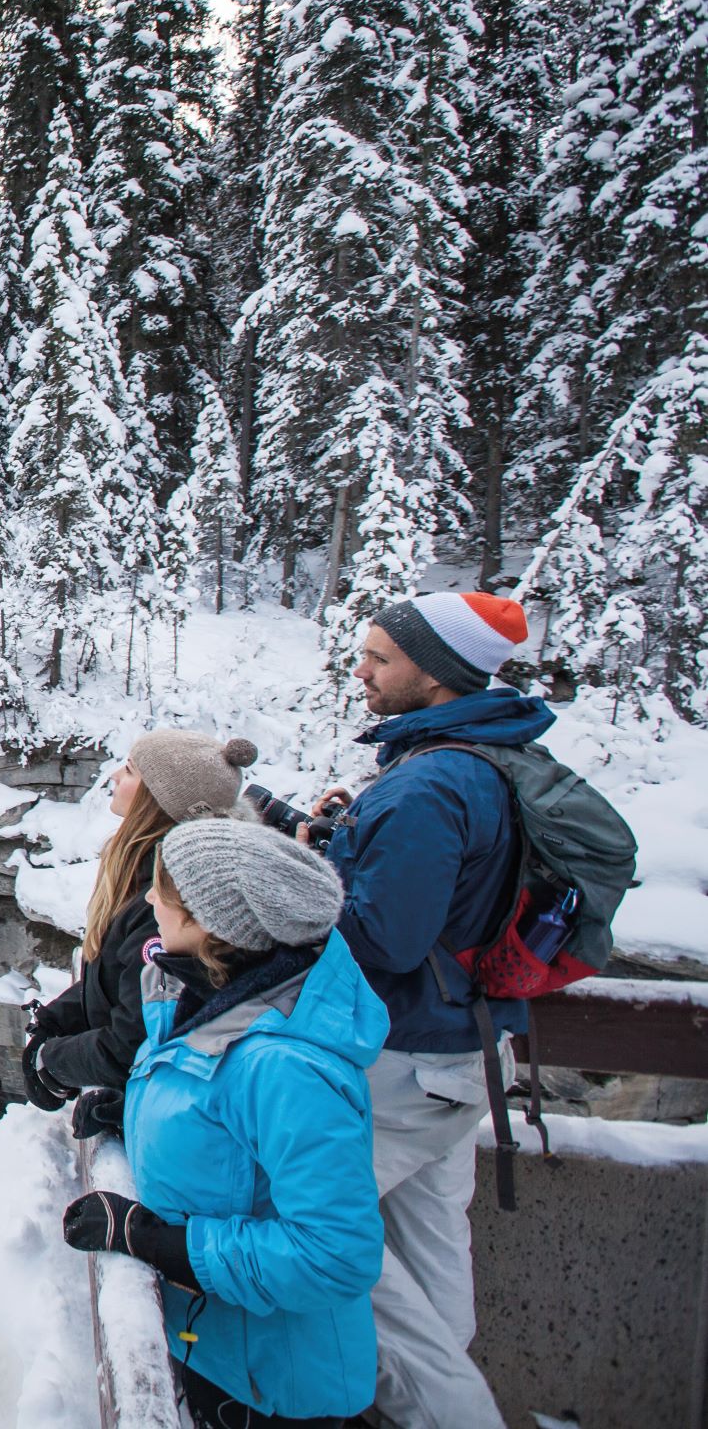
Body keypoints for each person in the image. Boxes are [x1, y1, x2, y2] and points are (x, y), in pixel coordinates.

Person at [299, 591, 547, 1429]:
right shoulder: (475, 757)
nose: (360, 671)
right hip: (464, 1056)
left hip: (406, 1060)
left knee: (309, 1223)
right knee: (430, 1253)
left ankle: (450, 1415)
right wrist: (338, 843)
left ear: (436, 675)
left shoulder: (429, 783)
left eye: (379, 658)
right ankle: (441, 1400)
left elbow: (384, 941)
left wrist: (302, 884)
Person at [61, 819, 387, 1429]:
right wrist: (137, 1113)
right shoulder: (206, 994)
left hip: (272, 1387)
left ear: (213, 925)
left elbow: (335, 1255)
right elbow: (224, 1134)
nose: (150, 900)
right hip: (220, 1351)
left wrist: (155, 1241)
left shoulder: (286, 1067)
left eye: (165, 892)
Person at [23, 731, 261, 1134]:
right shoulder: (143, 867)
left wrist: (54, 1060)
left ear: (158, 799)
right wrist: (53, 1021)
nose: (114, 775)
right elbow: (117, 975)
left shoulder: (173, 901)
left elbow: (136, 1036)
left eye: (130, 770)